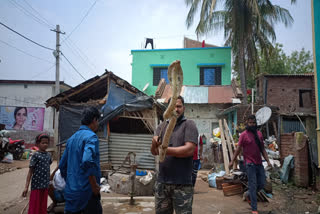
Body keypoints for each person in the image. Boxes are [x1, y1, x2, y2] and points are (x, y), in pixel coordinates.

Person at [151, 96, 199, 214]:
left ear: (184, 108)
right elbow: (154, 152)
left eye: (179, 106)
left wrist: (164, 149)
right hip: (163, 183)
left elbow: (189, 150)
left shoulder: (189, 125)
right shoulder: (162, 127)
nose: (176, 109)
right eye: (173, 106)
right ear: (168, 108)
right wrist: (153, 144)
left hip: (182, 184)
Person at [59, 106, 102, 214]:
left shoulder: (72, 138)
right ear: (94, 120)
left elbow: (62, 166)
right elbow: (87, 161)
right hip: (87, 194)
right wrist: (93, 185)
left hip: (71, 193)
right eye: (98, 121)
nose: (98, 124)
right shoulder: (91, 137)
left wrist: (71, 182)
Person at [229, 115, 271, 214]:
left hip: (259, 163)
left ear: (255, 123)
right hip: (249, 164)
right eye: (250, 123)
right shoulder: (243, 135)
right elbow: (238, 149)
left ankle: (248, 194)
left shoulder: (259, 134)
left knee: (262, 183)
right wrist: (232, 161)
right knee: (253, 185)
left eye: (253, 123)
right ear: (247, 123)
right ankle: (254, 209)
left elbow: (263, 149)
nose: (252, 124)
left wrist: (268, 161)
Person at [22, 133, 52, 214]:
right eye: (43, 143)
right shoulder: (35, 155)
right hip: (36, 185)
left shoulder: (49, 155)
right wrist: (26, 187)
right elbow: (30, 172)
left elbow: (47, 169)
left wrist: (49, 182)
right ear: (38, 143)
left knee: (43, 205)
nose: (45, 145)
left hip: (45, 185)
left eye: (46, 143)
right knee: (35, 205)